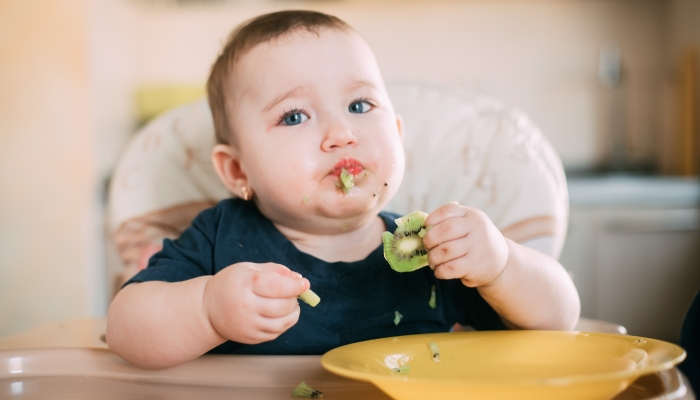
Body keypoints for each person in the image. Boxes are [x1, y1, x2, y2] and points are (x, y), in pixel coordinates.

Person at [106, 10, 580, 370]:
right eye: (294, 116)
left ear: (396, 133)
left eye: (359, 104)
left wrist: (501, 264)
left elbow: (559, 321)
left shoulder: (434, 252)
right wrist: (208, 310)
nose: (340, 133)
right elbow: (125, 328)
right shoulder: (220, 239)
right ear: (236, 171)